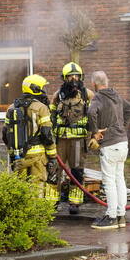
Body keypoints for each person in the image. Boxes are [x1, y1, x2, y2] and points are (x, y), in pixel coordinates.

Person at [87, 70, 130, 230]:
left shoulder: (98, 97)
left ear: (94, 84)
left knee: (109, 181)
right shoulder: (117, 96)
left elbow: (91, 112)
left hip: (110, 145)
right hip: (123, 143)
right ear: (106, 81)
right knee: (119, 178)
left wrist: (95, 132)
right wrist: (121, 126)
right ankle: (121, 216)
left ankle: (112, 216)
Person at [3, 74, 59, 205]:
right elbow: (47, 135)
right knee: (36, 187)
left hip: (19, 156)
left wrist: (13, 153)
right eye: (42, 88)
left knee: (20, 188)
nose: (44, 91)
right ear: (35, 88)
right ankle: (36, 214)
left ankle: (22, 213)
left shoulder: (11, 108)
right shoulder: (41, 108)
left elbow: (5, 134)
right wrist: (53, 156)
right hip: (37, 157)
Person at [51, 61, 94, 214]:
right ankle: (52, 201)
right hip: (60, 140)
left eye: (76, 76)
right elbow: (51, 115)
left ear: (81, 77)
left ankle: (74, 203)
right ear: (64, 78)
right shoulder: (58, 95)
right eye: (70, 76)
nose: (74, 79)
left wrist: (94, 136)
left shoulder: (87, 94)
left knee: (76, 171)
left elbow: (94, 116)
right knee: (54, 170)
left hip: (78, 140)